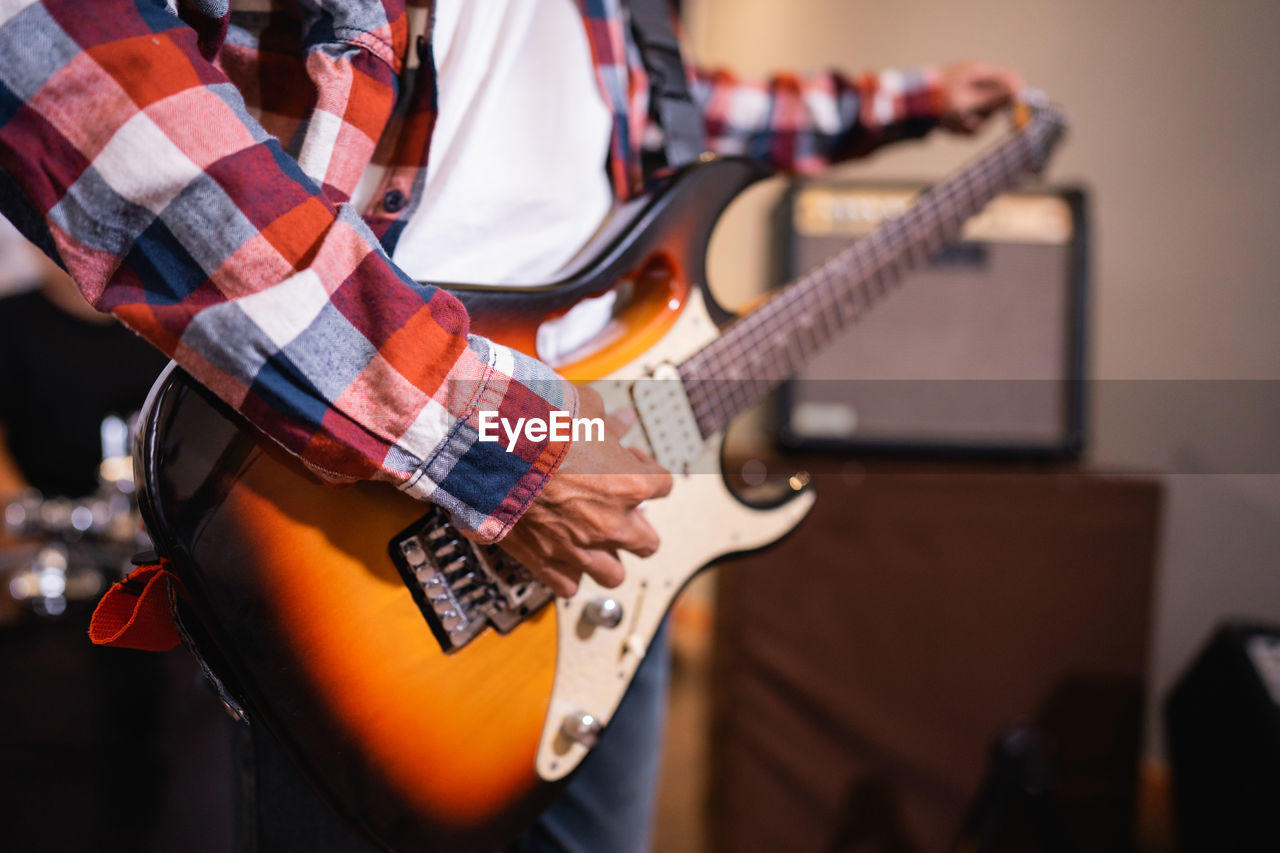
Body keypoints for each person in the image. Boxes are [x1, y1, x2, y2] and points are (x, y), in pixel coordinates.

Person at [0, 1, 1022, 849]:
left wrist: (914, 104)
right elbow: (69, 62)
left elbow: (656, 107)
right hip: (384, 476)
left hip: (610, 488)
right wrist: (502, 439)